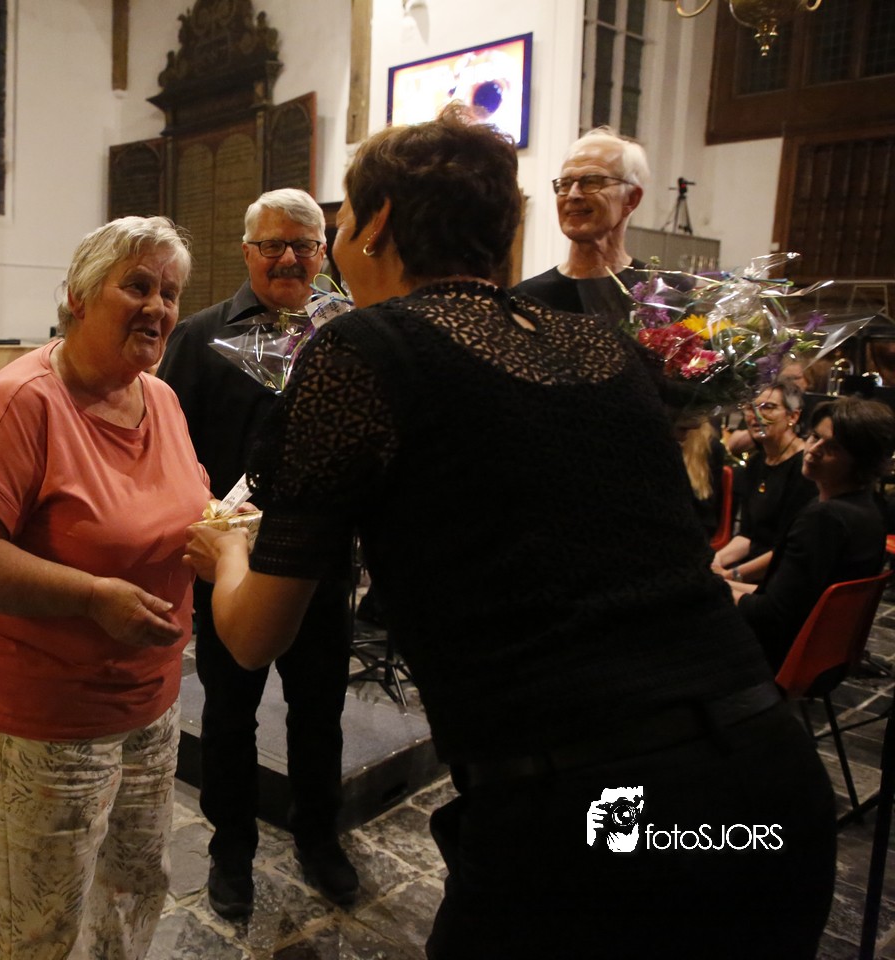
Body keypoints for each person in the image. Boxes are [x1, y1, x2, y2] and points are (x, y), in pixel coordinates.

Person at [185, 111, 836, 958]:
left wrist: (228, 550)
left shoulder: (362, 349)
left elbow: (253, 634)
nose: (334, 239)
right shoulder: (604, 348)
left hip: (591, 815)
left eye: (340, 218)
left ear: (378, 222)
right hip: (767, 774)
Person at [0, 216, 208, 960]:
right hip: (43, 717)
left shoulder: (160, 398)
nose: (158, 307)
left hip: (148, 699)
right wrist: (90, 596)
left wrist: (220, 533)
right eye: (137, 286)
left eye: (170, 293)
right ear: (79, 296)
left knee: (134, 888)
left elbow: (179, 504)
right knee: (43, 923)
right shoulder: (24, 400)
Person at [157, 187, 358, 918]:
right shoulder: (202, 336)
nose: (288, 258)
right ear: (247, 251)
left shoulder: (348, 333)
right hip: (230, 564)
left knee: (319, 709)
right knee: (229, 713)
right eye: (273, 244)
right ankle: (231, 849)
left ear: (323, 252)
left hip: (320, 563)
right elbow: (168, 446)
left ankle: (318, 836)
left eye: (304, 244)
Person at [732, 397, 895, 668]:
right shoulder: (867, 509)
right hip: (821, 657)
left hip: (775, 656)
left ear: (861, 460)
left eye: (832, 447)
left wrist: (713, 587)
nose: (813, 450)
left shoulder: (825, 518)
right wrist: (722, 580)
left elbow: (769, 615)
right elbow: (785, 597)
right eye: (815, 437)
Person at [512, 127, 649, 319]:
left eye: (592, 181)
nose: (573, 195)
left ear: (631, 199)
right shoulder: (526, 299)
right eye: (565, 184)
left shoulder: (662, 295)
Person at [712, 377, 816, 585]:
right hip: (752, 568)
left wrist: (732, 575)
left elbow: (787, 549)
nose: (756, 416)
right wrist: (715, 561)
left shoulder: (805, 467)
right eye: (751, 408)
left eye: (768, 407)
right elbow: (747, 536)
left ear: (793, 416)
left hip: (785, 576)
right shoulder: (756, 462)